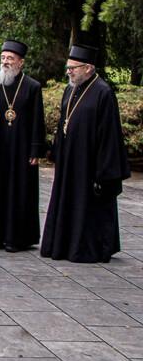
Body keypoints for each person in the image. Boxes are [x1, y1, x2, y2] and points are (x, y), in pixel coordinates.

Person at [41, 44, 130, 263]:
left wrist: (104, 172)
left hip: (90, 165)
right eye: (68, 67)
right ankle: (63, 245)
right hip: (69, 161)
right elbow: (64, 123)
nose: (69, 72)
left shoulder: (103, 92)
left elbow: (109, 135)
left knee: (87, 206)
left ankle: (87, 249)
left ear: (88, 68)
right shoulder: (70, 89)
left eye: (73, 68)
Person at [0, 40, 46, 251]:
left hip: (22, 149)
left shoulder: (32, 87)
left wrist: (36, 149)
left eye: (10, 58)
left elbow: (37, 120)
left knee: (20, 193)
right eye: (3, 58)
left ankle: (17, 239)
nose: (5, 62)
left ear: (21, 62)